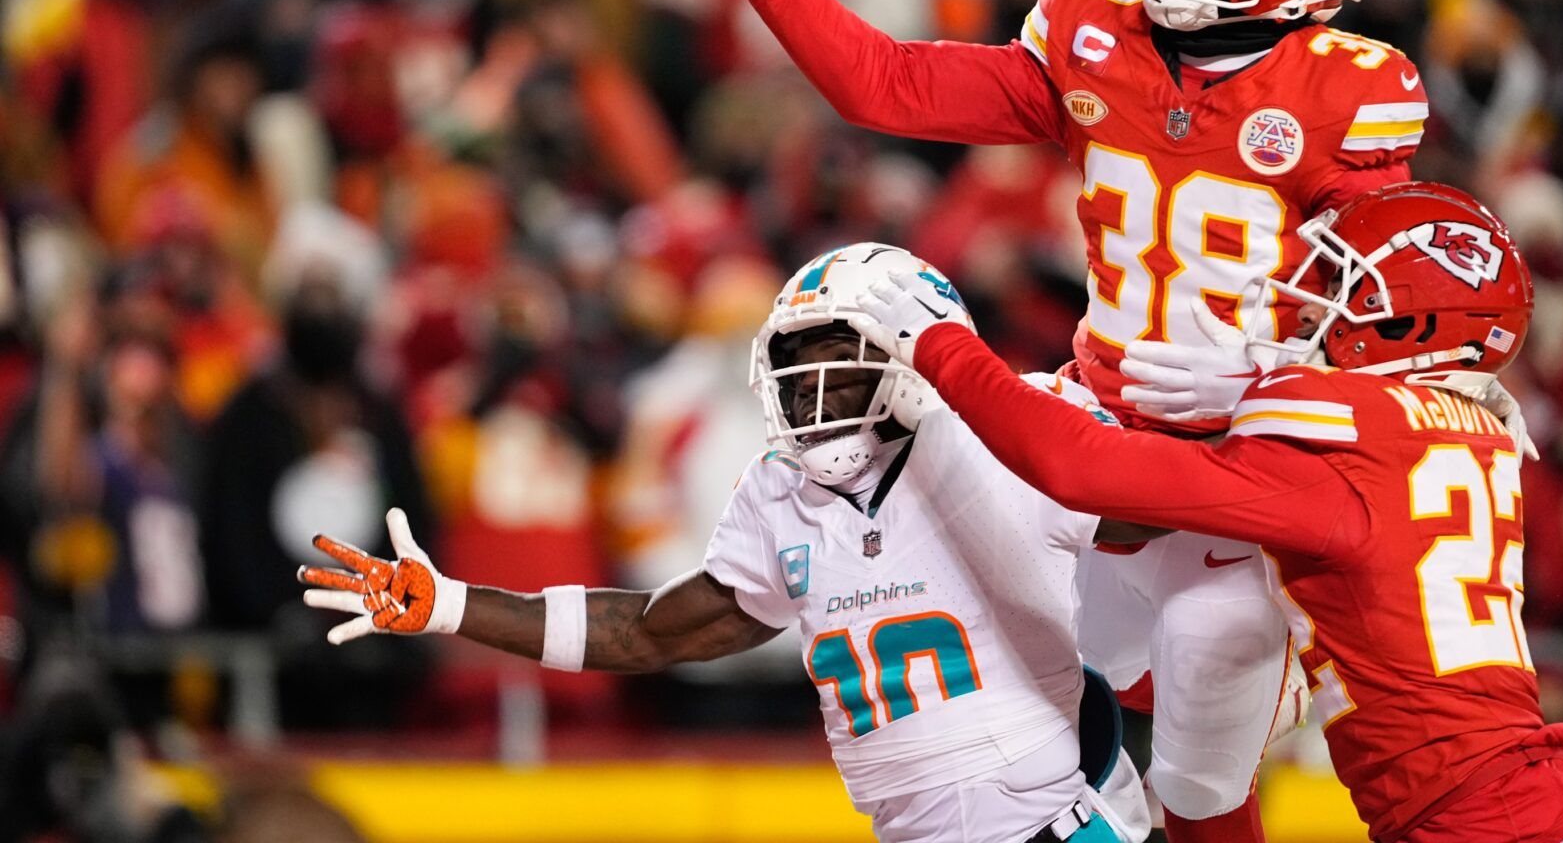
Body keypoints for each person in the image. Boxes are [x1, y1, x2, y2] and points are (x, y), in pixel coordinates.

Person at [683, 0, 1423, 841]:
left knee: (1204, 778)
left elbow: (1392, 311)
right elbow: (890, 87)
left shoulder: (1349, 91)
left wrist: (1270, 385)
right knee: (1034, 714)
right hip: (1094, 435)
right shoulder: (1096, 25)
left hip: (1240, 467)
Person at [851, 184, 1563, 843]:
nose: (1311, 311)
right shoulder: (1478, 427)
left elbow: (1078, 466)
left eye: (1343, 293)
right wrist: (1255, 395)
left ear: (1411, 323)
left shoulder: (1345, 444)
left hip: (1484, 822)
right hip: (1519, 801)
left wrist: (941, 348)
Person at [297, 242, 1152, 843]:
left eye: (838, 364)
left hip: (1062, 825)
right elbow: (649, 630)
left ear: (916, 357)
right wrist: (449, 604)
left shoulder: (1008, 436)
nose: (812, 400)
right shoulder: (780, 492)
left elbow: (1174, 514)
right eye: (797, 371)